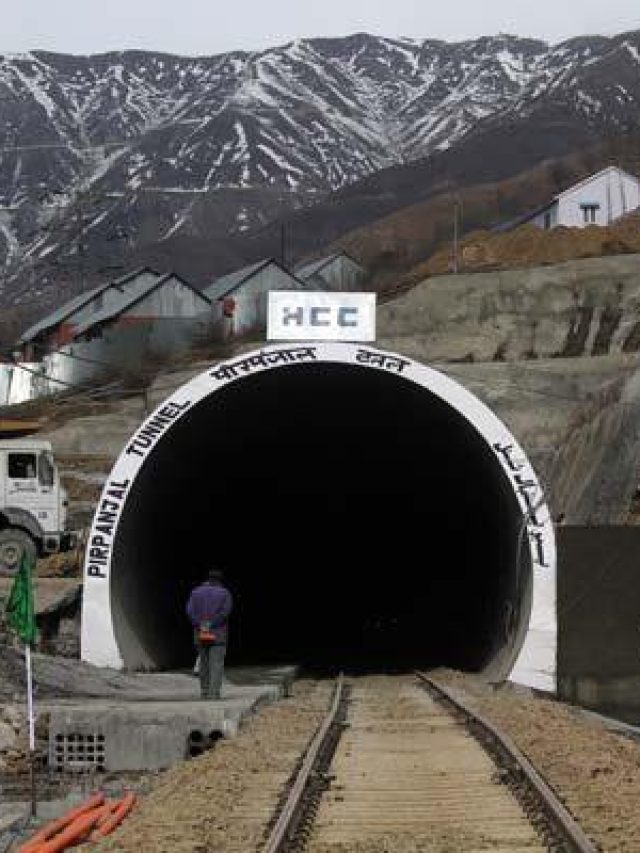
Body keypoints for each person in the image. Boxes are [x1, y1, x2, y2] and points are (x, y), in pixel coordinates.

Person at [186, 569, 233, 700]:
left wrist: (200, 624)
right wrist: (211, 624)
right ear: (220, 581)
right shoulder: (225, 593)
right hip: (218, 635)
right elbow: (225, 612)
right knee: (216, 664)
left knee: (203, 664)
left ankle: (204, 692)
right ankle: (214, 693)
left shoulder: (195, 593)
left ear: (208, 579)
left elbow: (189, 611)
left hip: (200, 634)